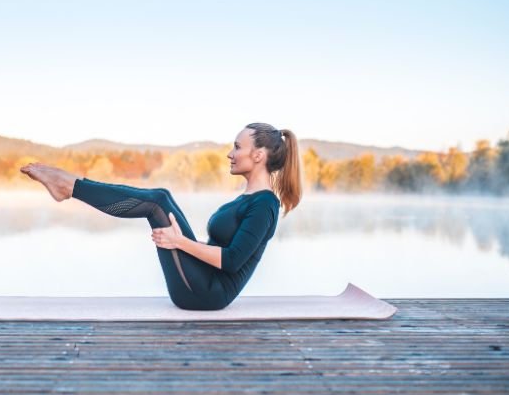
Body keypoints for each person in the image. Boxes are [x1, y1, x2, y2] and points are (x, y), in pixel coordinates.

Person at [19, 122, 302, 310]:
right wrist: (182, 242)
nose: (230, 153)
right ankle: (72, 185)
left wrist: (179, 242)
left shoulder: (264, 204)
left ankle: (70, 186)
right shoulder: (249, 199)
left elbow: (231, 261)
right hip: (202, 282)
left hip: (207, 294)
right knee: (161, 196)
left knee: (156, 203)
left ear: (258, 155)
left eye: (238, 147)